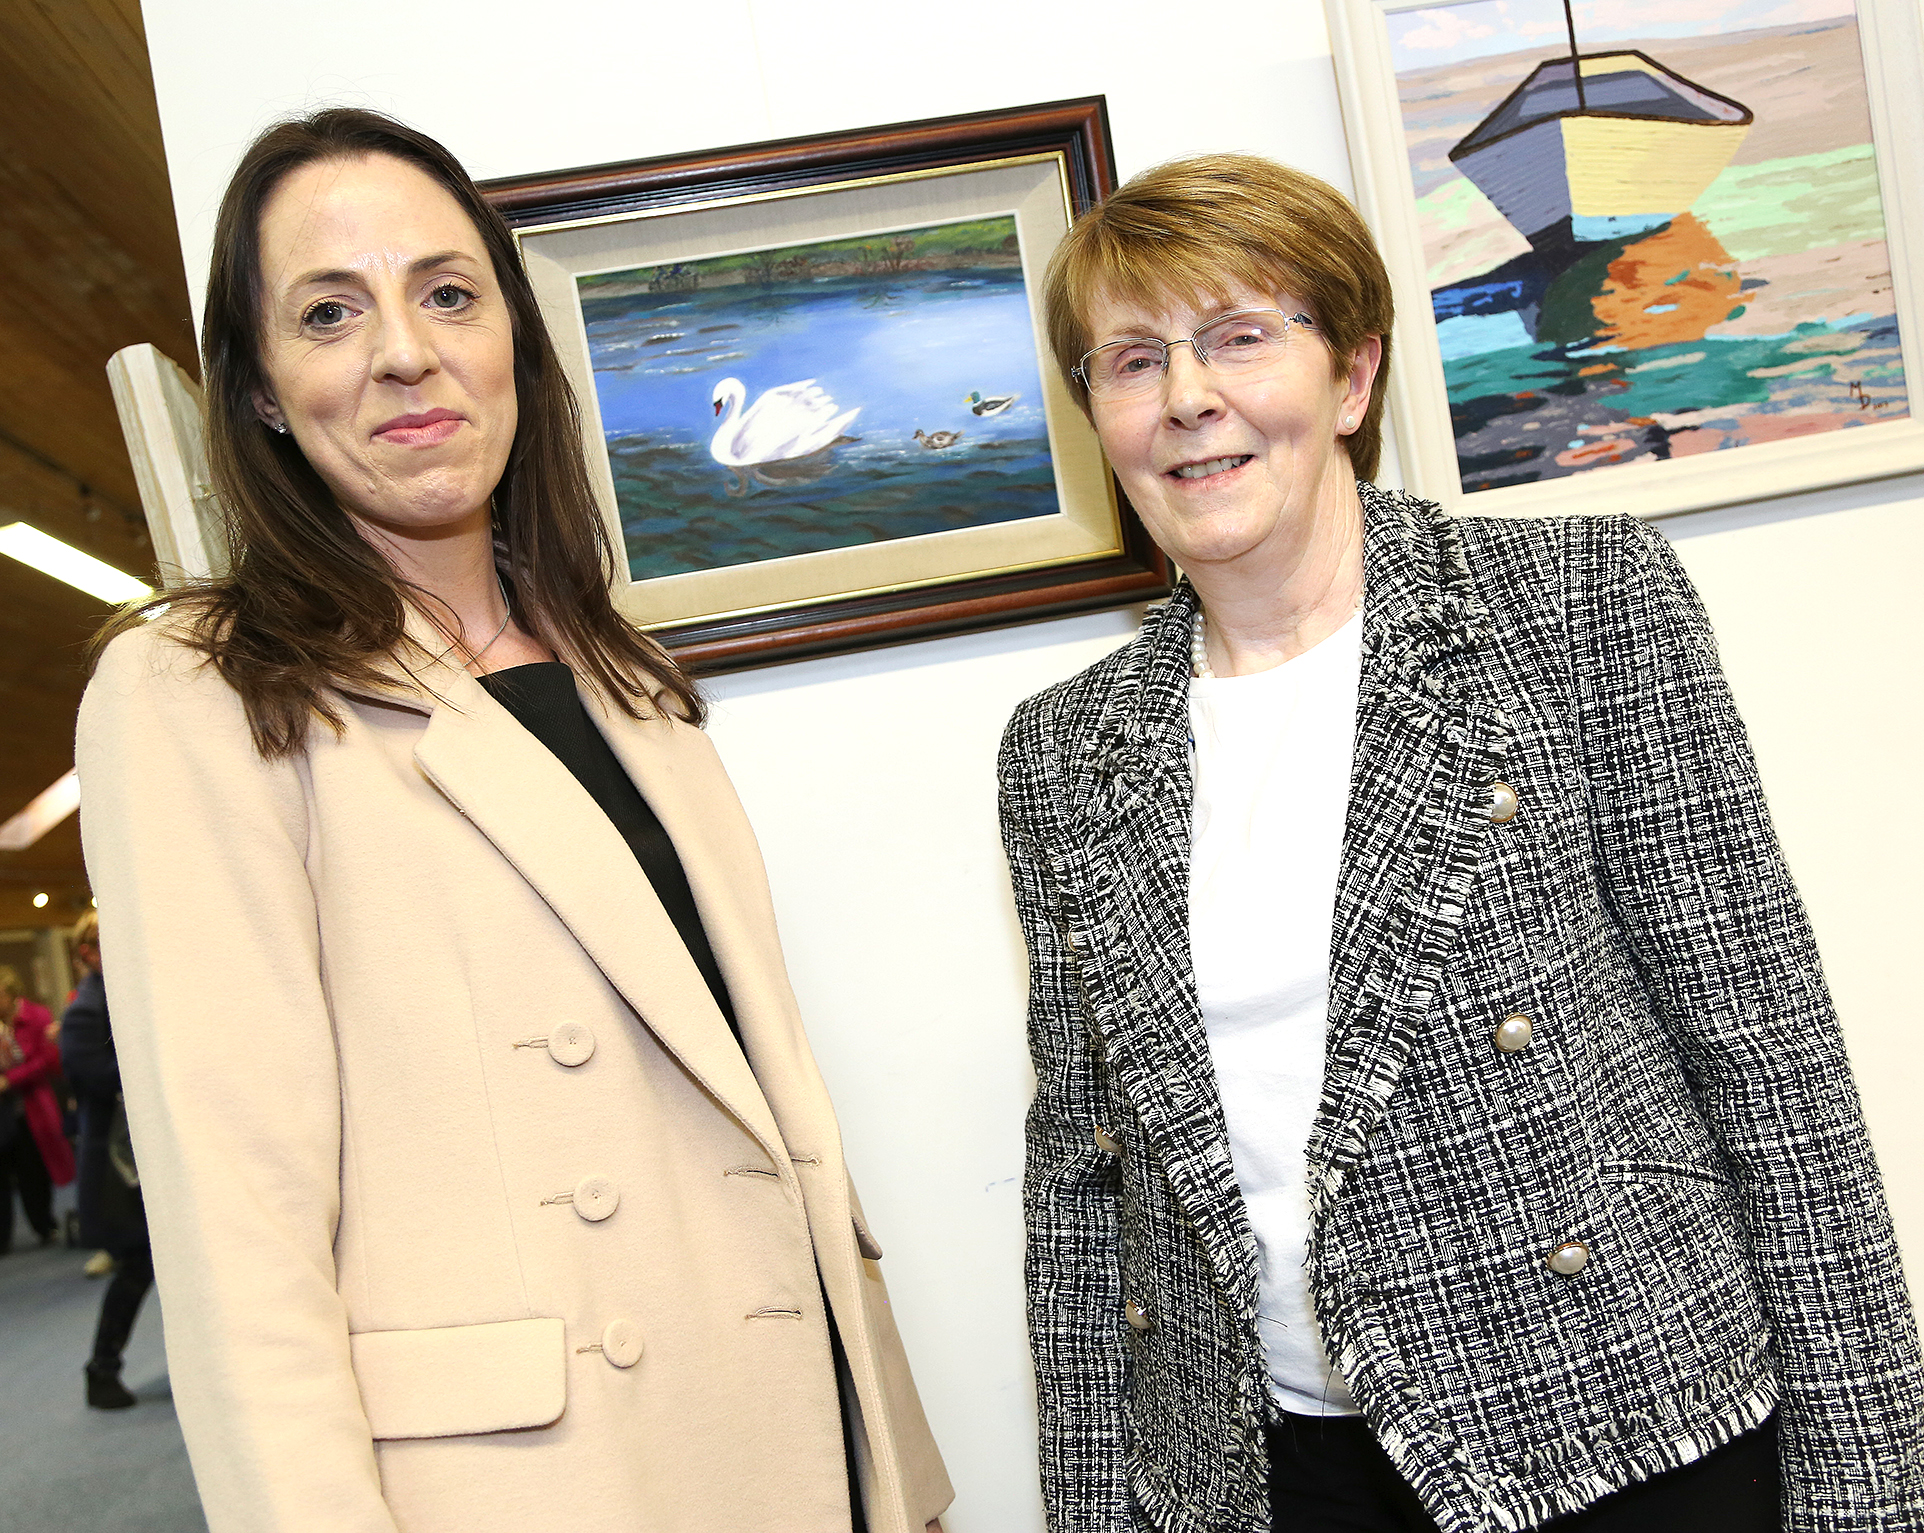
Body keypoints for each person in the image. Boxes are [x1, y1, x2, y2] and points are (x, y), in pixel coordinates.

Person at [997, 153, 1923, 1533]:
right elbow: (1083, 1182)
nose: (1187, 397)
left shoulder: (1581, 604)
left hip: (1622, 1432)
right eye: (1133, 361)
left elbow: (1768, 1060)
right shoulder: (1061, 750)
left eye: (1239, 337)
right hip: (1273, 1478)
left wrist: (1869, 1490)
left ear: (1352, 376)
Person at [78, 108, 949, 1533]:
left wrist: (894, 1467)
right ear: (264, 392)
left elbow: (765, 1110)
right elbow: (239, 1233)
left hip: (800, 1436)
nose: (402, 352)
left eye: (447, 292)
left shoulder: (620, 668)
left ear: (513, 346)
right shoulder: (200, 691)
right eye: (327, 312)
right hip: (542, 1484)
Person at [60, 910, 154, 1409]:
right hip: (116, 1167)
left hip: (137, 1157)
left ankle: (104, 1368)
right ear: (86, 953)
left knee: (148, 1264)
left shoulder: (122, 995)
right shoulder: (85, 1011)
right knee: (137, 1264)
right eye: (102, 941)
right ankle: (101, 1370)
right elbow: (95, 1077)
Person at [0, 963, 75, 1254]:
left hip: (32, 1105)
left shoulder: (36, 1016)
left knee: (32, 1170)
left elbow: (45, 1061)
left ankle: (44, 1226)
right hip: (4, 1110)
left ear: (11, 994)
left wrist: (10, 1079)